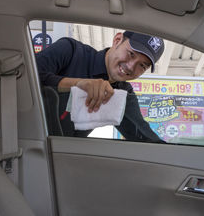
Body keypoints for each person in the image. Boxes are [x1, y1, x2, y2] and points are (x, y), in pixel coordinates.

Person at [36, 31, 165, 143]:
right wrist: (76, 84)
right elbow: (24, 76)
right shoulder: (70, 50)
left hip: (58, 157)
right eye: (131, 54)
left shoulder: (122, 93)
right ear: (117, 40)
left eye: (142, 66)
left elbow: (142, 135)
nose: (131, 67)